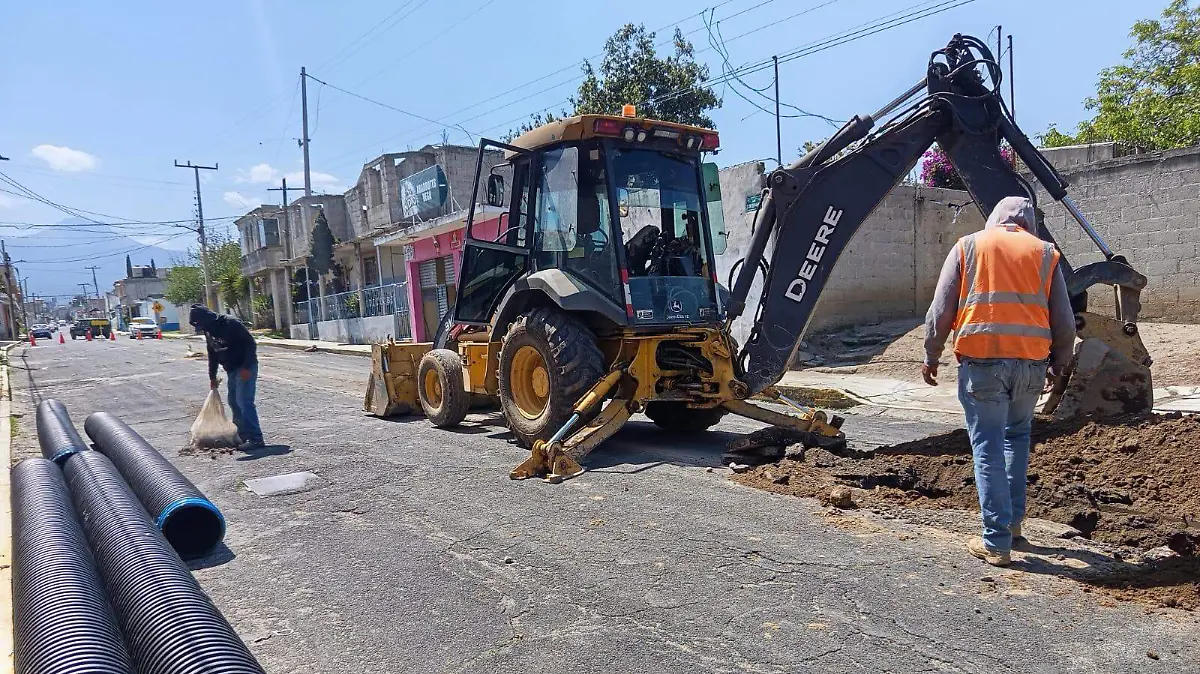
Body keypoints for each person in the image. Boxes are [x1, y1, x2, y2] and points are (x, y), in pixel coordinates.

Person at [922, 196, 1076, 567]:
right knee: (1017, 438)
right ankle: (1014, 526)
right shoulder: (1046, 253)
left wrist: (932, 354)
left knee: (987, 445)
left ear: (994, 217)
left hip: (983, 365)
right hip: (1031, 367)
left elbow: (940, 311)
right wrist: (1061, 363)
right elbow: (1065, 322)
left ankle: (995, 541)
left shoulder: (969, 245)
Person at [189, 304, 264, 451]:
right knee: (233, 402)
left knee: (244, 401)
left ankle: (255, 438)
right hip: (231, 369)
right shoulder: (208, 331)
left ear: (209, 320)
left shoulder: (230, 323)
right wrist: (212, 376)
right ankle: (241, 436)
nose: (204, 330)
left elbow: (250, 344)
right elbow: (212, 354)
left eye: (204, 326)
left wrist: (246, 367)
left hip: (245, 367)